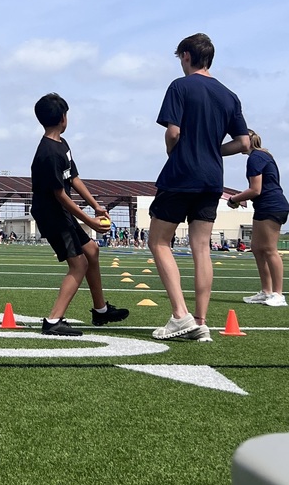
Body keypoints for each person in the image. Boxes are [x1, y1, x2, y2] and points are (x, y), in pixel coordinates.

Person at [148, 33, 250, 342]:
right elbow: (244, 143)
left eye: (180, 57)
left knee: (159, 242)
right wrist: (212, 150)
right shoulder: (229, 95)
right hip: (211, 179)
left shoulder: (180, 86)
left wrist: (172, 150)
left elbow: (174, 133)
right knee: (201, 248)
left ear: (187, 56)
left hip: (181, 174)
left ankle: (180, 316)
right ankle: (201, 321)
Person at [30, 93, 127, 336]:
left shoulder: (62, 144)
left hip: (60, 211)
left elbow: (73, 178)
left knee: (91, 250)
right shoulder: (48, 153)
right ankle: (53, 321)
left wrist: (95, 206)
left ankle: (101, 310)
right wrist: (89, 220)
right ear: (63, 118)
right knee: (78, 264)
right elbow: (60, 194)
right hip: (51, 213)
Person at [228, 129, 287, 307]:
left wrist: (234, 199)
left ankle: (278, 294)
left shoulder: (256, 158)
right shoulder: (261, 156)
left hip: (272, 206)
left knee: (269, 249)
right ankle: (266, 291)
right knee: (257, 248)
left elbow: (256, 189)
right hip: (264, 206)